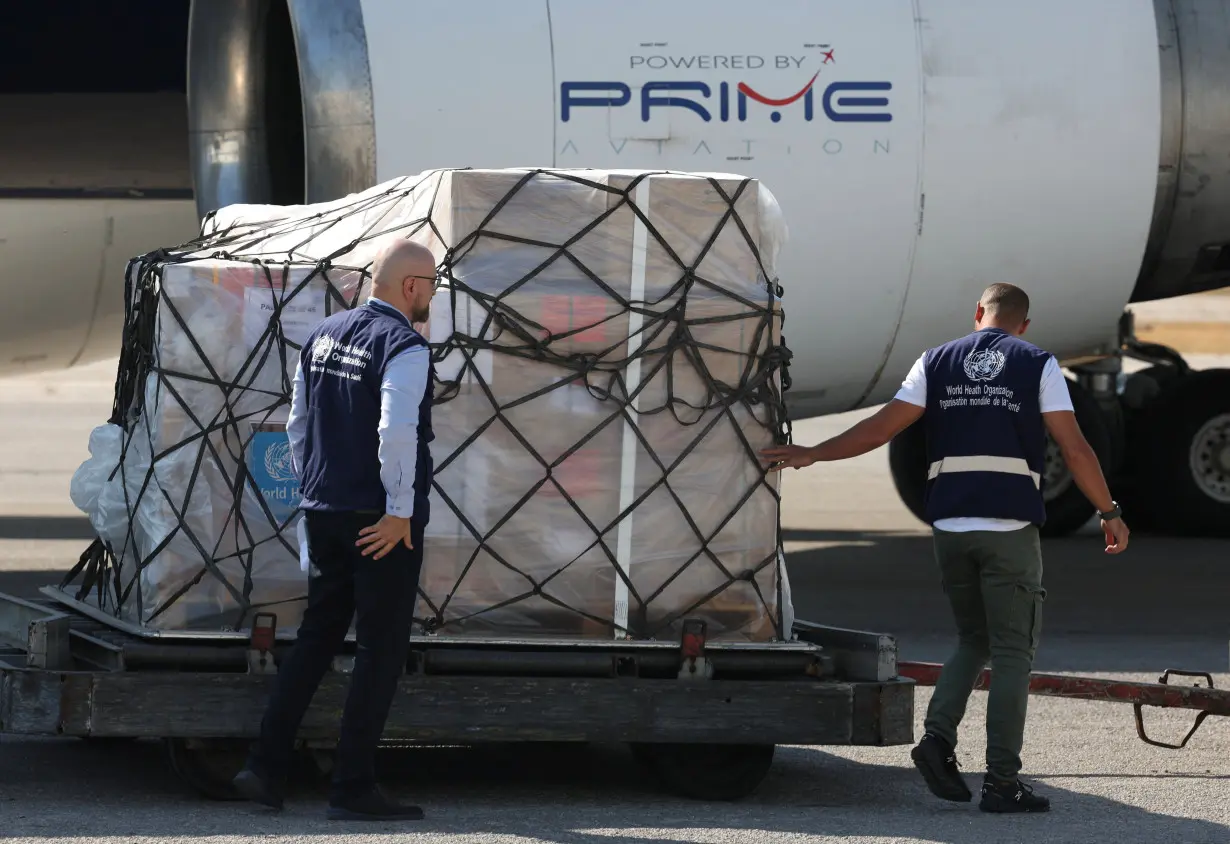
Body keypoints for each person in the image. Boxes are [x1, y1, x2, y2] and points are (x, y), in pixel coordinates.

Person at [760, 283, 1129, 814]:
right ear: (1023, 325)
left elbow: (881, 427)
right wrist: (1109, 512)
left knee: (971, 638)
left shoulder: (935, 362)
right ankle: (1003, 783)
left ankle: (937, 740)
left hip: (950, 527)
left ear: (978, 314)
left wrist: (813, 453)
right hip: (1008, 529)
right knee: (1012, 654)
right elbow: (1074, 447)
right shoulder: (1037, 364)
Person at [232, 239, 438, 821]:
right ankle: (352, 789)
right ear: (409, 287)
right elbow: (396, 431)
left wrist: (310, 493)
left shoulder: (324, 334)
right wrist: (399, 511)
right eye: (432, 284)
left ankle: (264, 767)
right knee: (379, 650)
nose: (433, 294)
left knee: (319, 636)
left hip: (324, 510)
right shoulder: (405, 346)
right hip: (379, 522)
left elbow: (298, 423)